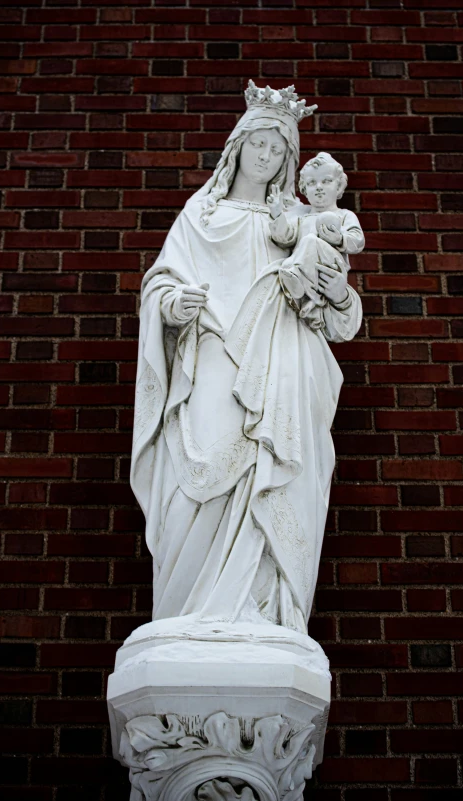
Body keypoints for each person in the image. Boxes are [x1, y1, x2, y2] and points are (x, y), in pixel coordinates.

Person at [130, 81, 363, 635]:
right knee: (202, 465)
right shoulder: (200, 215)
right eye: (259, 142)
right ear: (237, 145)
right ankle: (186, 614)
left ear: (290, 159)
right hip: (213, 355)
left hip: (285, 365)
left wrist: (334, 291)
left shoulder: (303, 221)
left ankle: (266, 615)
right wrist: (172, 305)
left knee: (279, 474)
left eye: (279, 148)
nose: (267, 156)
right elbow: (160, 285)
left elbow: (343, 321)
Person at [267, 152, 365, 330]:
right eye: (312, 183)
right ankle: (308, 302)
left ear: (339, 186)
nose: (318, 187)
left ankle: (296, 278)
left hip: (330, 267)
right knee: (307, 243)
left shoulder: (344, 215)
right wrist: (276, 213)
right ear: (304, 189)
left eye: (326, 181)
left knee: (310, 241)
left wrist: (340, 238)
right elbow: (285, 236)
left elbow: (357, 240)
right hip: (309, 271)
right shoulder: (301, 218)